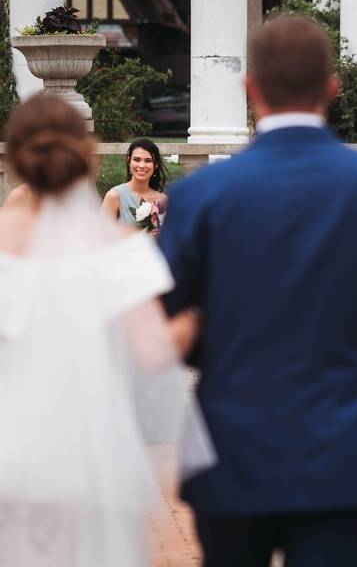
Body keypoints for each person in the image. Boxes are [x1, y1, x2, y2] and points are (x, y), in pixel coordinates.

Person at [158, 16, 357, 567]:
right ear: (332, 88)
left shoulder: (201, 196)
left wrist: (210, 338)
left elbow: (160, 319)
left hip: (231, 450)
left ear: (249, 91)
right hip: (350, 452)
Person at [0, 94, 201, 566]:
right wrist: (198, 314)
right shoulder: (117, 250)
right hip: (93, 454)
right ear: (86, 155)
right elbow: (156, 354)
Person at [102, 138, 168, 234]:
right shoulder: (115, 196)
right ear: (129, 162)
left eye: (148, 161)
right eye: (137, 160)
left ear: (156, 165)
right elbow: (100, 238)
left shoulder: (163, 200)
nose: (142, 165)